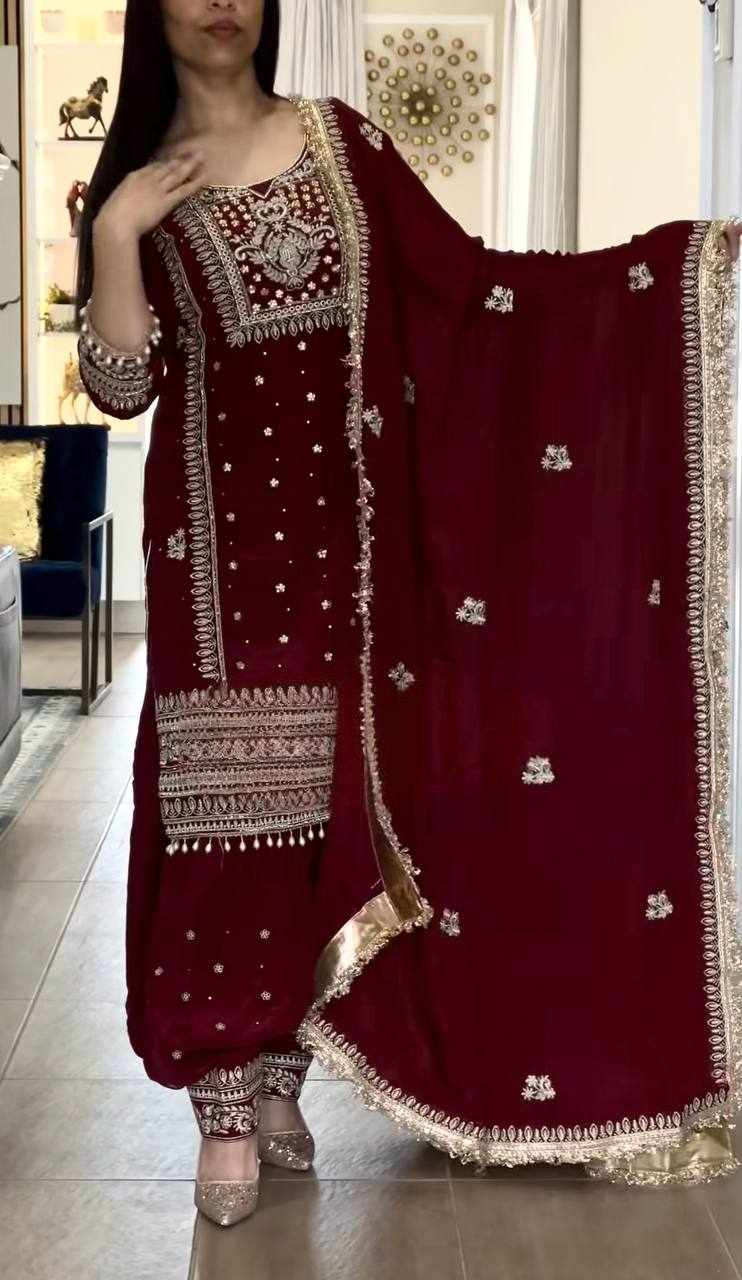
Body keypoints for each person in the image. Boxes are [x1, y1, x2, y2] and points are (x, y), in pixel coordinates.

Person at [75, 0, 742, 1226]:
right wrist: (118, 230)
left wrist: (661, 269)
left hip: (370, 558)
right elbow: (122, 384)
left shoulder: (341, 142)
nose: (221, 2)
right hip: (221, 562)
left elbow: (473, 293)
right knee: (233, 814)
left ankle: (288, 1074)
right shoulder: (140, 187)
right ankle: (226, 1102)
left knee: (345, 809)